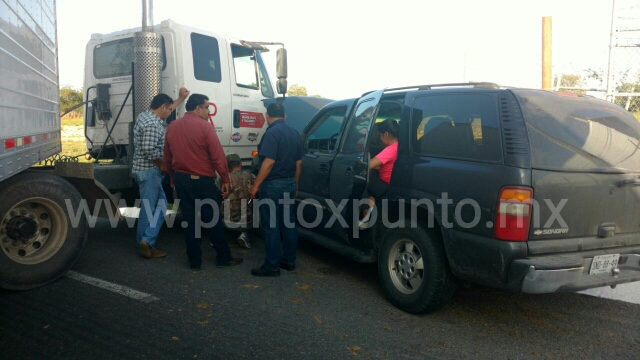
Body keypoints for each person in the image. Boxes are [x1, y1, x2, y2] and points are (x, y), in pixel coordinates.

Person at [164, 93, 243, 270]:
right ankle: (223, 257)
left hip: (181, 179)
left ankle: (194, 261)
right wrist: (225, 178)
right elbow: (218, 157)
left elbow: (167, 157)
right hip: (202, 181)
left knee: (189, 221)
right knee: (213, 220)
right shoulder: (205, 127)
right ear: (197, 108)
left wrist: (171, 177)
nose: (209, 111)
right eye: (207, 107)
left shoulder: (172, 127)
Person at [132, 87, 189, 259]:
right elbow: (149, 150)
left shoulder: (145, 115)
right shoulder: (151, 124)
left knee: (156, 206)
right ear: (163, 107)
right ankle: (147, 242)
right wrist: (163, 164)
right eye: (169, 109)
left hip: (144, 171)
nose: (170, 113)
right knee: (154, 208)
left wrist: (180, 98)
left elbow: (169, 107)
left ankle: (145, 242)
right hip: (149, 171)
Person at [248, 103, 302, 277]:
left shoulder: (271, 133)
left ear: (266, 116)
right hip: (289, 183)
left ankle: (272, 265)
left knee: (271, 225)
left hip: (273, 185)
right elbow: (299, 164)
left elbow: (268, 162)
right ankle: (289, 261)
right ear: (284, 117)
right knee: (289, 223)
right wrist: (295, 184)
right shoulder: (295, 133)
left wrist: (255, 185)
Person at [358, 119, 399, 230]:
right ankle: (369, 216)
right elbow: (385, 166)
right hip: (392, 181)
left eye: (380, 136)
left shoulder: (390, 150)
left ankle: (366, 215)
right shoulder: (399, 146)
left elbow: (368, 165)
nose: (380, 139)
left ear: (385, 134)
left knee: (363, 182)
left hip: (385, 184)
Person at [216, 153, 254, 249]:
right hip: (247, 219)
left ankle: (219, 238)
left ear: (227, 167)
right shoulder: (251, 176)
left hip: (228, 218)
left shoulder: (223, 179)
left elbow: (219, 196)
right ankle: (244, 234)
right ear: (241, 163)